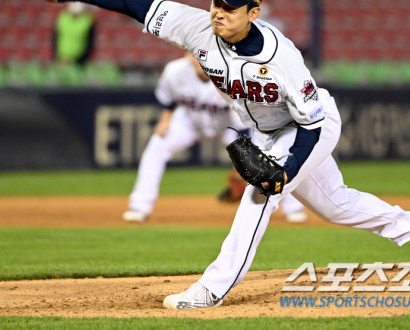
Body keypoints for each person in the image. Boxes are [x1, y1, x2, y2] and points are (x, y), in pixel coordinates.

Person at [36, 0, 410, 309]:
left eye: (229, 5)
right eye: (214, 1)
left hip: (309, 126)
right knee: (338, 206)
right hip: (267, 131)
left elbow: (313, 126)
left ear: (253, 12)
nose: (217, 11)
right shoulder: (197, 28)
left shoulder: (282, 58)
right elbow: (132, 2)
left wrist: (284, 172)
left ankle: (211, 288)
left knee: (259, 196)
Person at [123, 52, 307, 224]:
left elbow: (244, 125)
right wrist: (165, 120)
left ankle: (293, 208)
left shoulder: (231, 77)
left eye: (201, 54)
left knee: (268, 156)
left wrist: (243, 163)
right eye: (192, 54)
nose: (196, 59)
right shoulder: (175, 70)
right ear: (187, 54)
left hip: (228, 126)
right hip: (188, 122)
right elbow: (166, 99)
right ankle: (140, 206)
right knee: (157, 146)